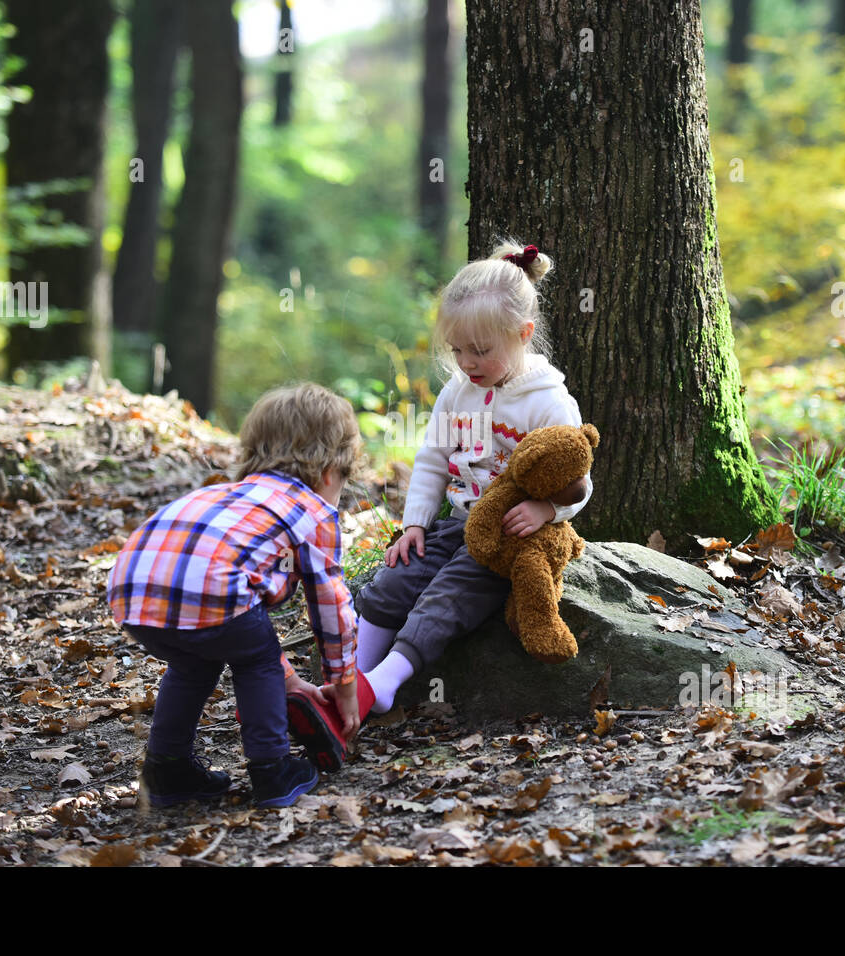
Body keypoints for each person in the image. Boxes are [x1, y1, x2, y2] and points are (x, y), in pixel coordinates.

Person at [353, 241, 592, 714]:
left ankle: (384, 683)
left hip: (507, 539)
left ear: (523, 334)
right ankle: (354, 674)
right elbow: (432, 459)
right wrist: (416, 525)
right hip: (458, 524)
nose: (466, 363)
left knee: (446, 597)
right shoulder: (457, 394)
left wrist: (547, 509)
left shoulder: (549, 403)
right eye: (457, 350)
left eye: (480, 351)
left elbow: (577, 478)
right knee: (395, 580)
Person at [106, 382, 363, 809]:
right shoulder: (313, 510)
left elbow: (240, 618)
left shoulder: (227, 496)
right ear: (329, 471)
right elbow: (331, 606)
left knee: (194, 664)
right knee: (256, 660)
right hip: (210, 594)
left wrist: (292, 681)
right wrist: (344, 681)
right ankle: (272, 770)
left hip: (133, 591)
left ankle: (166, 770)